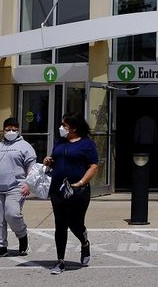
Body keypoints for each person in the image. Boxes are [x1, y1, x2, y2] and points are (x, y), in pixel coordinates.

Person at [44, 114, 99, 274]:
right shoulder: (60, 142)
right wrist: (49, 160)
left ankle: (84, 243)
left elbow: (93, 166)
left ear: (74, 128)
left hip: (78, 190)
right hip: (58, 189)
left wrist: (81, 182)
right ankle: (60, 261)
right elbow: (55, 159)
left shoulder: (87, 144)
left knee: (75, 224)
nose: (61, 128)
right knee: (60, 224)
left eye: (64, 125)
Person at [0, 117, 36, 259]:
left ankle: (22, 236)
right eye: (8, 129)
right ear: (3, 130)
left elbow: (31, 167)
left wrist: (28, 183)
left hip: (16, 187)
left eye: (14, 129)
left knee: (12, 214)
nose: (11, 131)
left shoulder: (25, 146)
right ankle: (1, 247)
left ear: (19, 130)